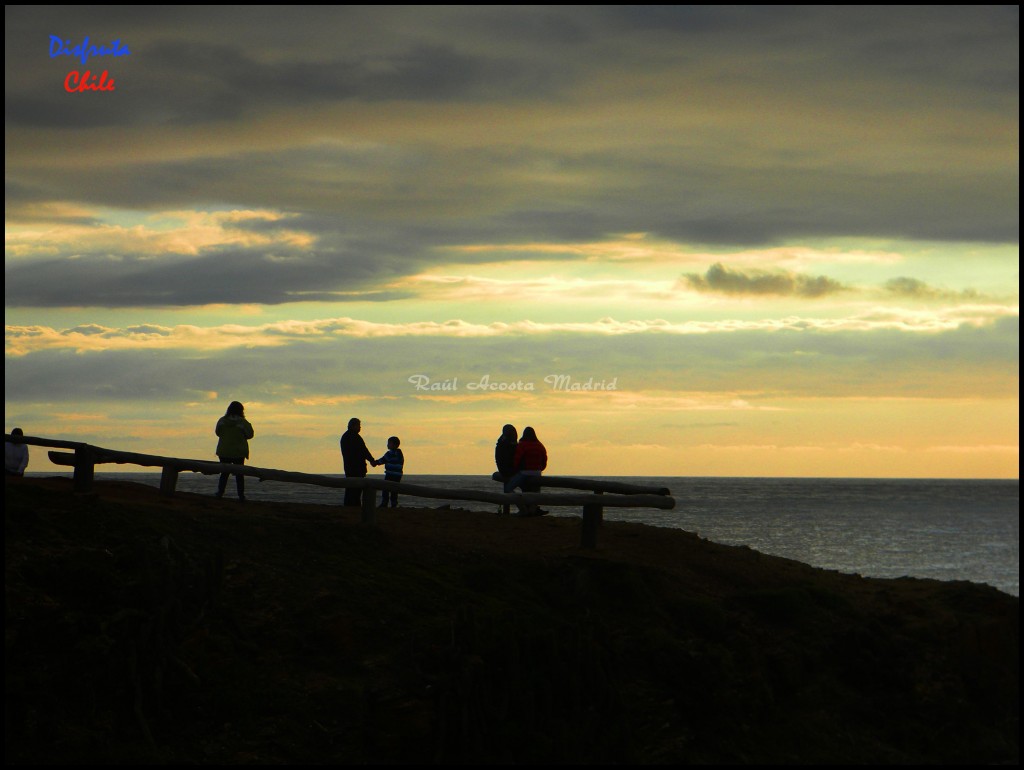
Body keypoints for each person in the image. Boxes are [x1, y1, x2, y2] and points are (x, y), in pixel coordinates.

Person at [504, 425, 548, 516]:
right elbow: (544, 461)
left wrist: (516, 470)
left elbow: (517, 459)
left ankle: (522, 508)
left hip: (524, 472)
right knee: (536, 493)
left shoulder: (522, 445)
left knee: (508, 488)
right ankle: (532, 510)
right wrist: (539, 469)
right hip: (537, 473)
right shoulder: (540, 446)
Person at [214, 401, 254, 501]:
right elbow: (250, 435)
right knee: (239, 474)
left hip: (224, 450)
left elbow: (217, 433)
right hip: (238, 451)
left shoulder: (222, 421)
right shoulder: (243, 422)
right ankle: (241, 495)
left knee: (224, 473)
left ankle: (220, 493)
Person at [340, 417, 376, 508]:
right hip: (357, 468)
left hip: (349, 467)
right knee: (356, 489)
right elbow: (363, 450)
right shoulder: (355, 437)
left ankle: (349, 506)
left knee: (350, 489)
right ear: (353, 426)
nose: (360, 428)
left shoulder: (345, 436)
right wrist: (371, 460)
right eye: (359, 426)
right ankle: (354, 506)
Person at [375, 436, 405, 508]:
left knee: (385, 488)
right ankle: (394, 503)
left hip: (390, 474)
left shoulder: (389, 453)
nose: (387, 445)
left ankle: (384, 503)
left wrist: (375, 463)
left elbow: (382, 460)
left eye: (389, 443)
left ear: (394, 445)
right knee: (394, 490)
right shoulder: (400, 454)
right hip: (398, 475)